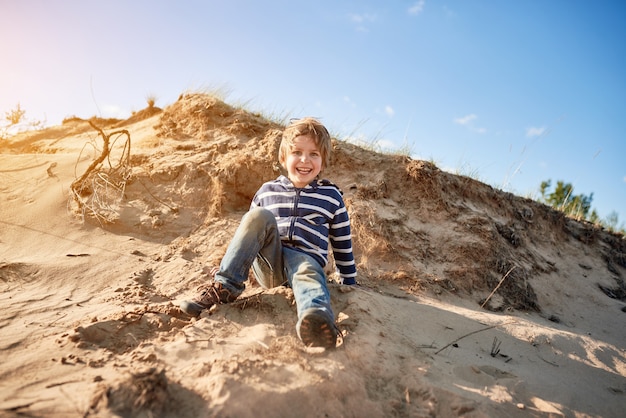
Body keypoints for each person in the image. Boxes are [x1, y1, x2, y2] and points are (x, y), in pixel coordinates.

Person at [179, 117, 358, 349]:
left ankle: (316, 319)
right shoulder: (266, 191)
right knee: (257, 217)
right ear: (284, 157)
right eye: (297, 152)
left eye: (314, 154)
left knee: (308, 275)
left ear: (323, 162)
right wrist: (227, 265)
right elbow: (248, 235)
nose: (305, 160)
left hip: (306, 260)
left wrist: (349, 280)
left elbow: (342, 241)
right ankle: (225, 287)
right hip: (269, 265)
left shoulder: (330, 197)